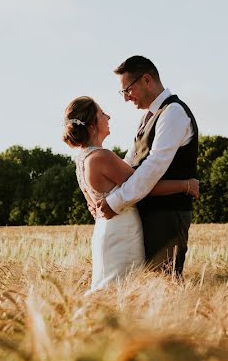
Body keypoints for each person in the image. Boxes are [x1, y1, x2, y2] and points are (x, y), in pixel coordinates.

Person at [63, 96, 199, 292]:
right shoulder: (102, 157)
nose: (108, 117)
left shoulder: (83, 159)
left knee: (113, 288)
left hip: (107, 230)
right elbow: (143, 186)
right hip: (122, 233)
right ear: (92, 126)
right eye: (102, 114)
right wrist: (185, 185)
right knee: (122, 288)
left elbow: (92, 205)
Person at [96, 56, 199, 277]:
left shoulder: (173, 112)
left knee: (164, 283)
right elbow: (129, 163)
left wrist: (115, 201)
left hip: (167, 214)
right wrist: (104, 195)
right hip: (146, 213)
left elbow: (154, 166)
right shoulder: (147, 117)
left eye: (127, 90)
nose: (125, 99)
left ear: (146, 80)